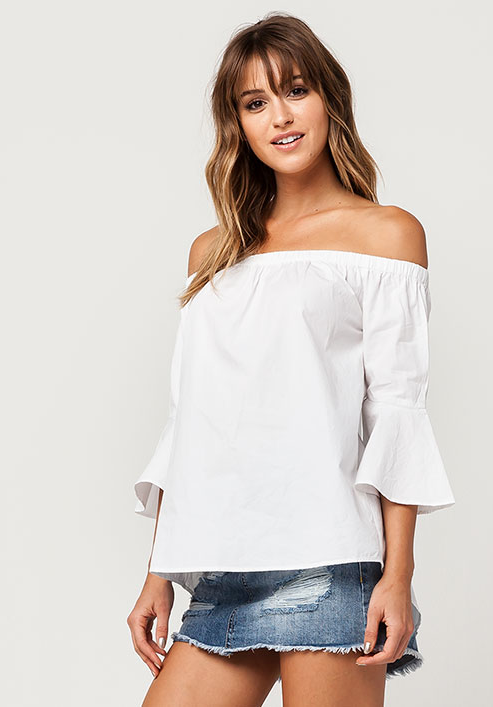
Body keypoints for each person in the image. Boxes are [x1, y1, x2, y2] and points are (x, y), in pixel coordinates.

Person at [127, 12, 456, 707]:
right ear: (238, 124)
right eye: (255, 102)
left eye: (296, 90)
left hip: (329, 560)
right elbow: (193, 421)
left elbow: (396, 411)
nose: (279, 116)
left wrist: (397, 575)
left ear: (330, 98)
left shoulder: (386, 235)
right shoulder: (213, 252)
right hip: (223, 569)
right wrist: (160, 570)